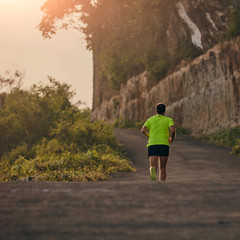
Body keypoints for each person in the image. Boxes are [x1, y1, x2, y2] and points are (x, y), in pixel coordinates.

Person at [141, 102, 175, 181]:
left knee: (153, 166)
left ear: (156, 111)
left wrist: (150, 136)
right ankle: (161, 184)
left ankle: (153, 175)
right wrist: (171, 139)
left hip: (152, 144)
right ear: (164, 111)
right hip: (164, 144)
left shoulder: (150, 119)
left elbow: (143, 130)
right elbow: (173, 130)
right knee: (162, 167)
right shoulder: (168, 120)